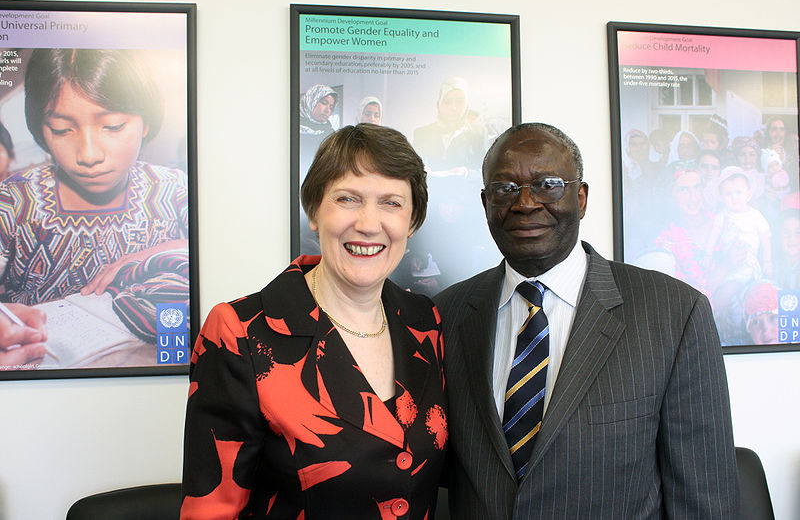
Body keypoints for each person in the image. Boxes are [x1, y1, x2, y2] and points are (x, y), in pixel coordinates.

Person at [434, 122, 738, 519]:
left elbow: (705, 500)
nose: (525, 202)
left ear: (581, 198)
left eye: (548, 184)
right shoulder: (446, 315)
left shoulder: (675, 313)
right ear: (485, 203)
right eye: (505, 188)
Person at [181, 124, 447, 519]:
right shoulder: (240, 333)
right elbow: (210, 510)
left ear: (412, 222)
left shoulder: (426, 321)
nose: (369, 224)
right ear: (313, 211)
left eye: (391, 203)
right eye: (347, 198)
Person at [0, 49, 188, 312]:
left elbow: (220, 252)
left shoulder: (174, 190)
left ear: (145, 122)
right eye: (62, 130)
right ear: (40, 130)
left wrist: (159, 253)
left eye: (112, 126)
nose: (89, 155)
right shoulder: (12, 202)